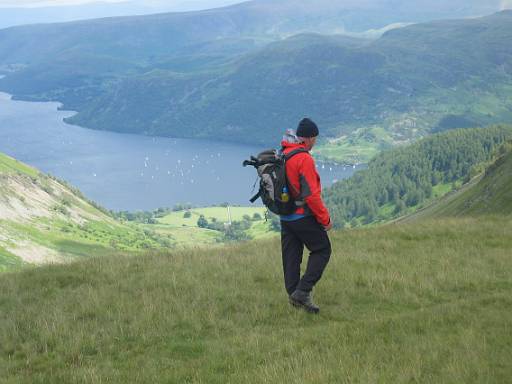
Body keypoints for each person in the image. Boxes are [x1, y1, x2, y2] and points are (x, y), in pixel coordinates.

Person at [280, 117, 332, 314]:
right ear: (309, 138)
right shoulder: (304, 158)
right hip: (302, 216)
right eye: (315, 139)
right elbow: (312, 195)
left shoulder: (283, 153)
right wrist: (325, 220)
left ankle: (295, 297)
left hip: (285, 216)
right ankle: (302, 292)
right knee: (322, 249)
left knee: (291, 257)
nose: (315, 143)